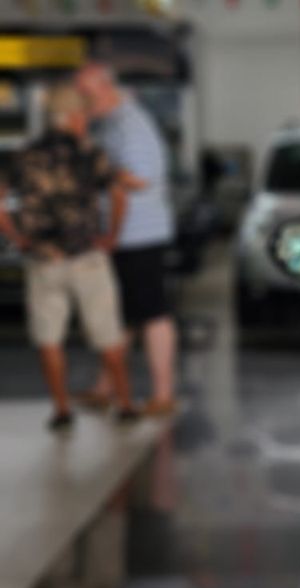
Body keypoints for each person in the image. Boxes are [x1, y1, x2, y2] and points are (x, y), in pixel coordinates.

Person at [0, 84, 137, 431]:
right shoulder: (91, 154)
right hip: (87, 256)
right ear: (74, 117)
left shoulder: (22, 155)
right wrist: (112, 236)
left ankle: (61, 410)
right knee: (107, 334)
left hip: (42, 259)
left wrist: (17, 237)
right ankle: (125, 404)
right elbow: (119, 194)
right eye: (83, 115)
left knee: (49, 339)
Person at [75, 62, 178, 416]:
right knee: (121, 314)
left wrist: (89, 166)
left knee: (152, 312)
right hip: (122, 235)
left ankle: (163, 394)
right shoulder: (111, 122)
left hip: (139, 235)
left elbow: (140, 178)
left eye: (85, 94)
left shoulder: (131, 124)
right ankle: (106, 387)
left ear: (105, 88)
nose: (81, 102)